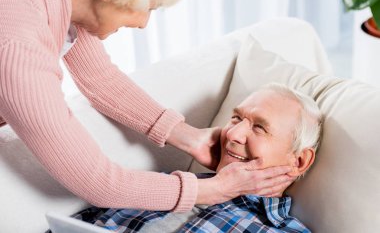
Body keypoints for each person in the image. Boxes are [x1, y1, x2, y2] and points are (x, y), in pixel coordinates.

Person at [0, 0, 293, 212]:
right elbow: (100, 183)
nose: (143, 24)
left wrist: (189, 136)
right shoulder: (18, 47)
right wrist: (214, 190)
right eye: (148, 8)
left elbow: (101, 80)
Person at [69, 83, 323, 232]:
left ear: (298, 161)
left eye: (259, 127)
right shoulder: (164, 185)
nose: (233, 134)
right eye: (236, 118)